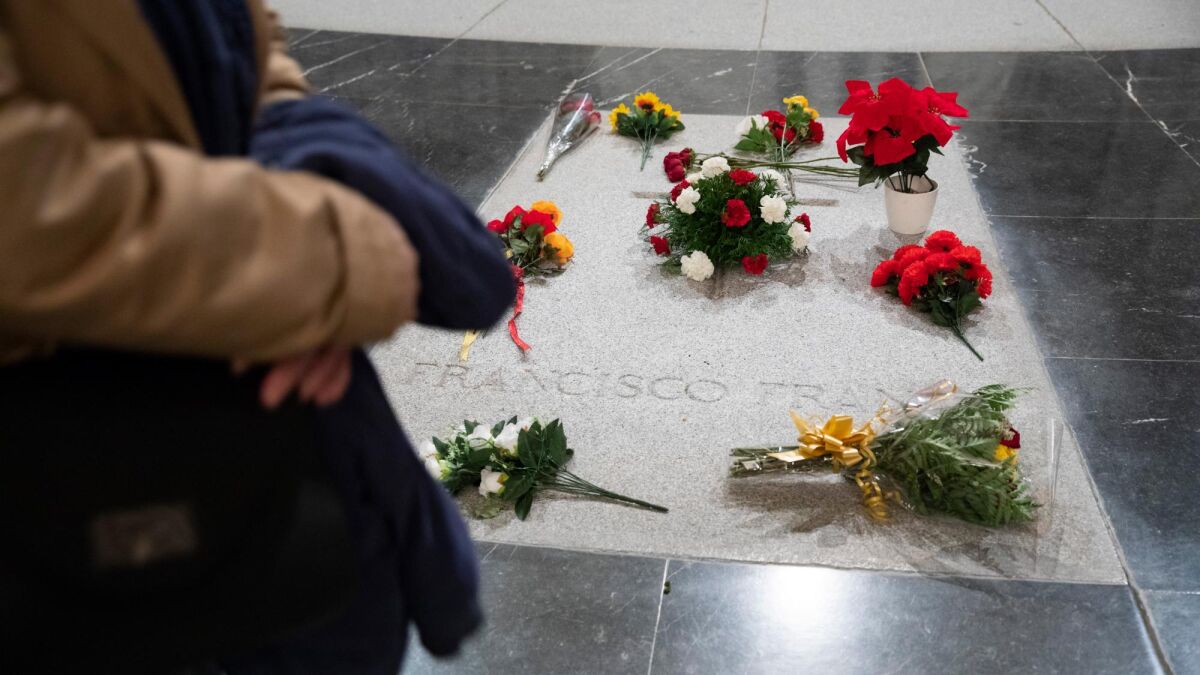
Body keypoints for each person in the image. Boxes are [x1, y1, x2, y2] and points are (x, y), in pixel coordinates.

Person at [0, 1, 515, 673]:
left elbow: (242, 36)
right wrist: (326, 261)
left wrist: (284, 186)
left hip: (270, 467)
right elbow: (28, 202)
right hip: (85, 484)